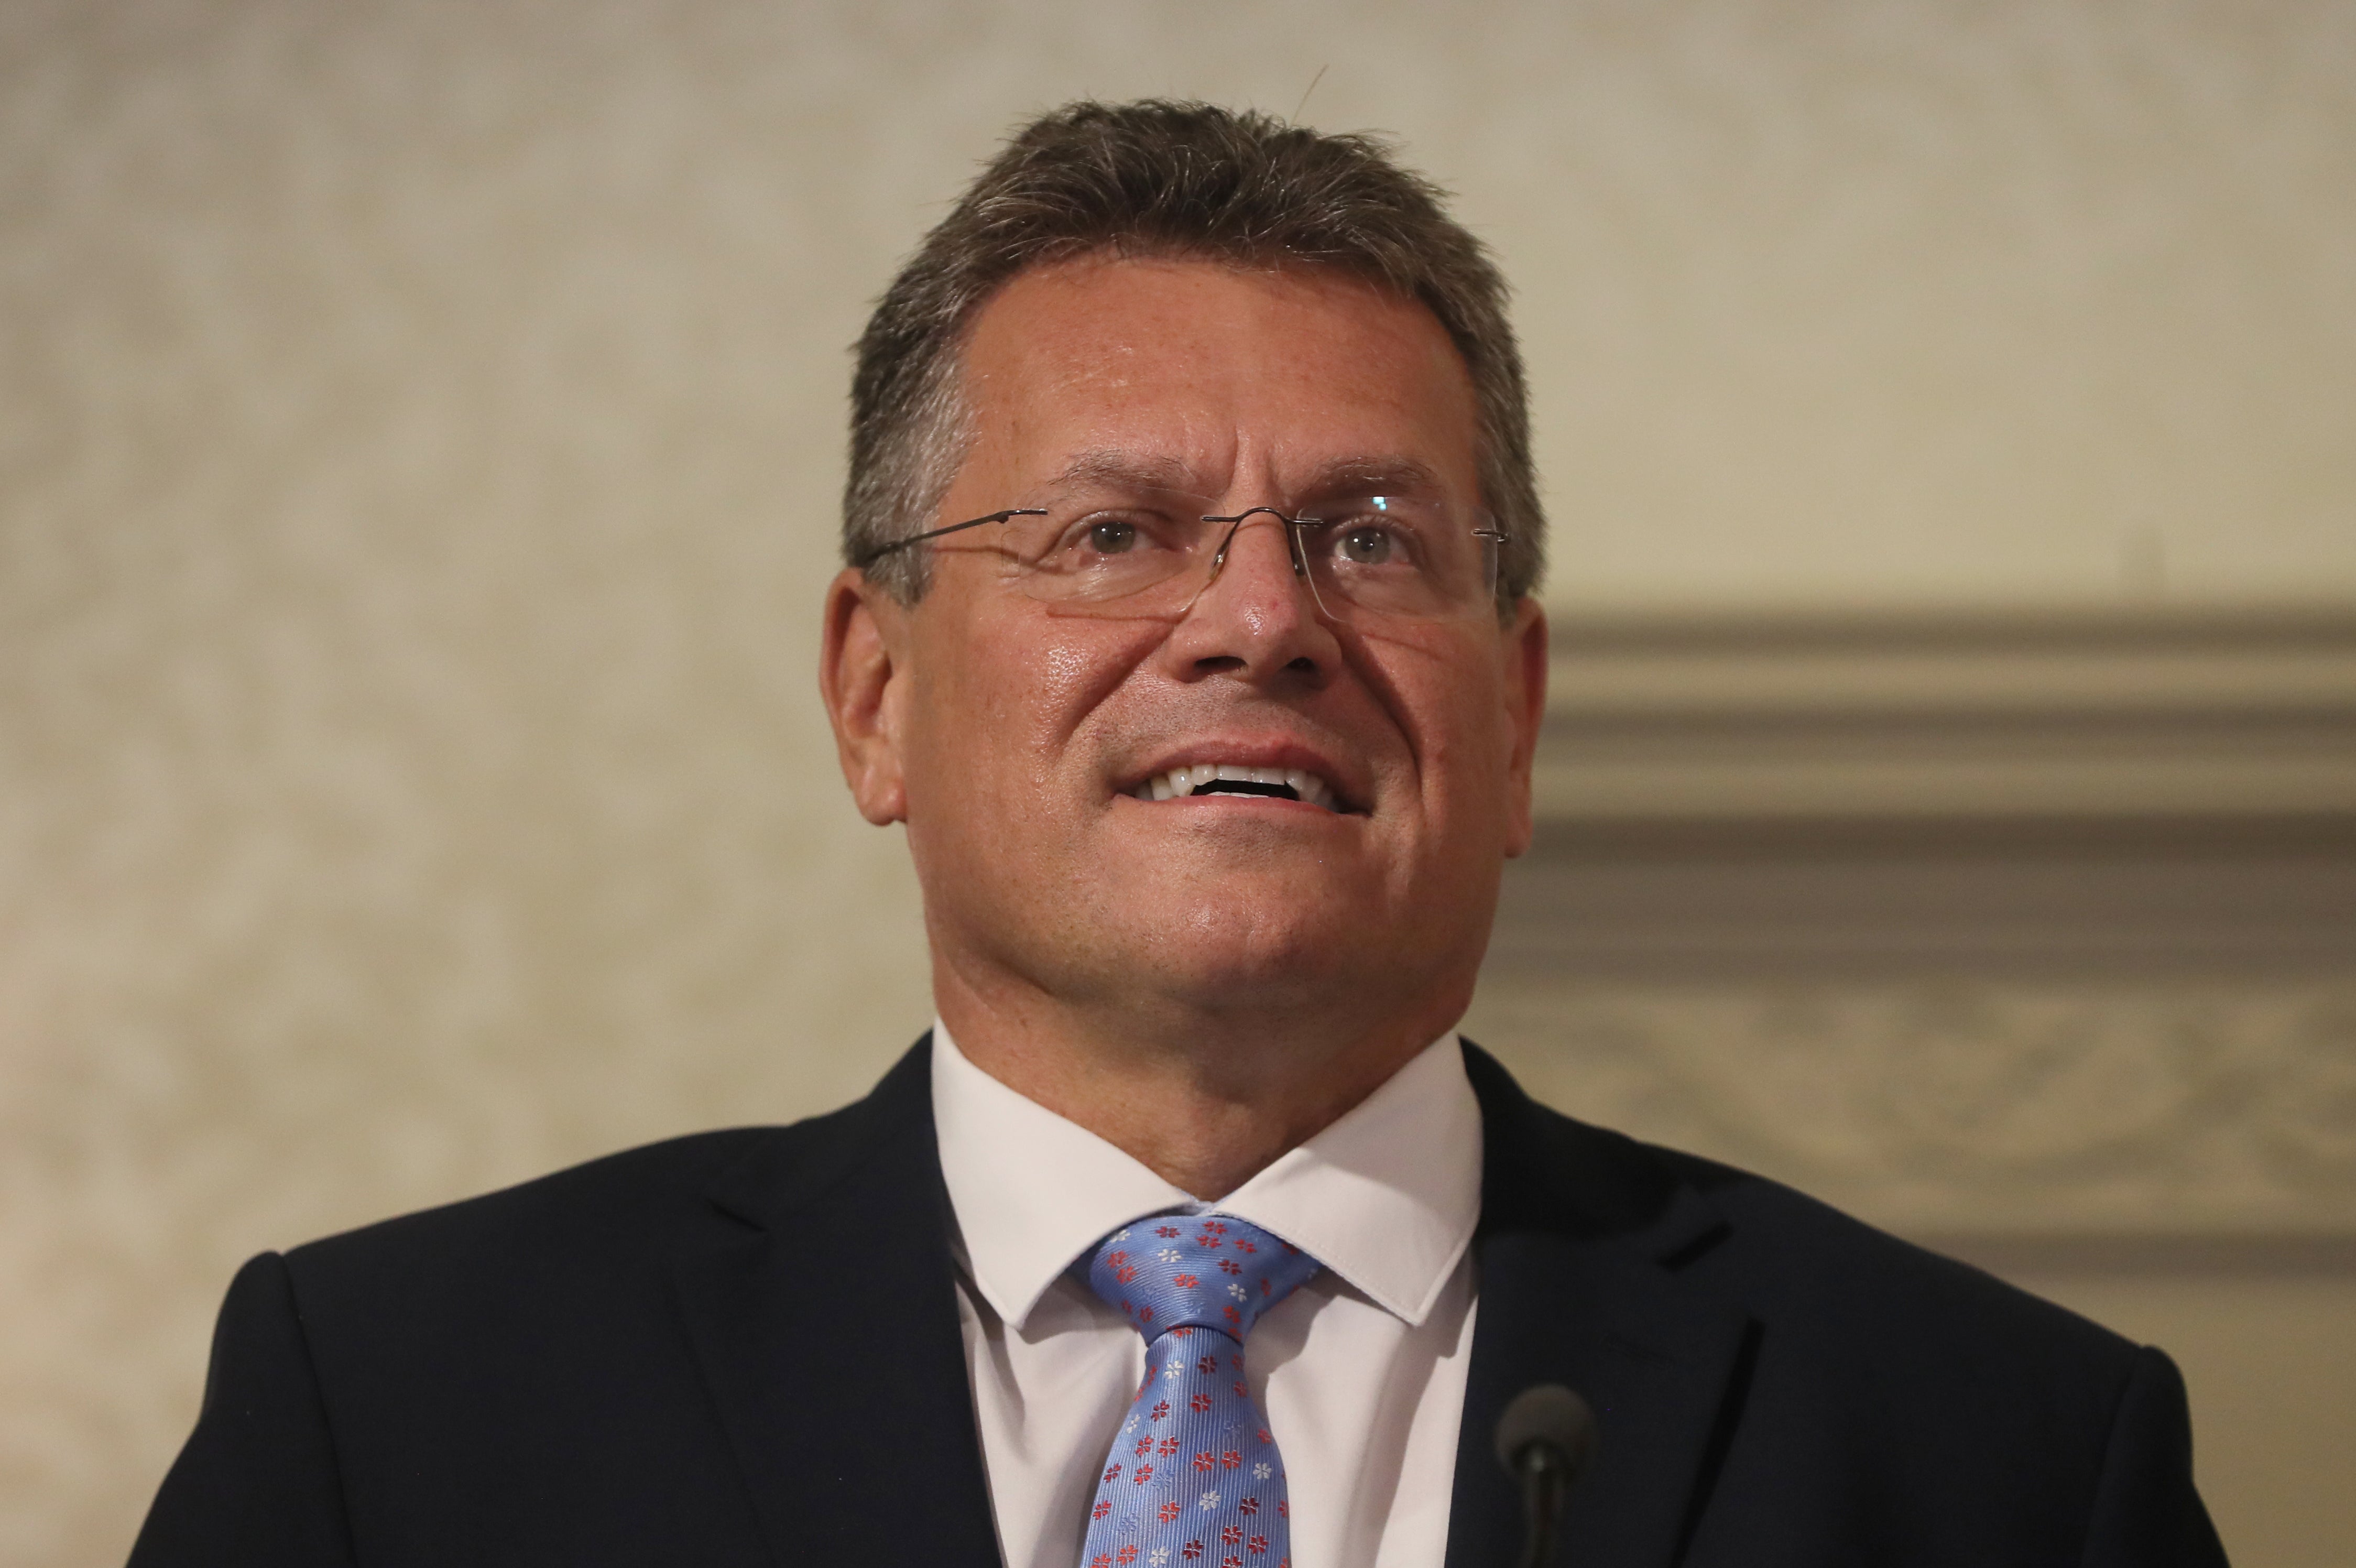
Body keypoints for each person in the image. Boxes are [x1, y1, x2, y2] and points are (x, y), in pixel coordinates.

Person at [130, 100, 2227, 1568]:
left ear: (1514, 715)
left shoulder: (2000, 1453)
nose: (1254, 620)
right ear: (875, 694)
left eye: (1370, 539)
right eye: (1111, 531)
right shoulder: (398, 1408)